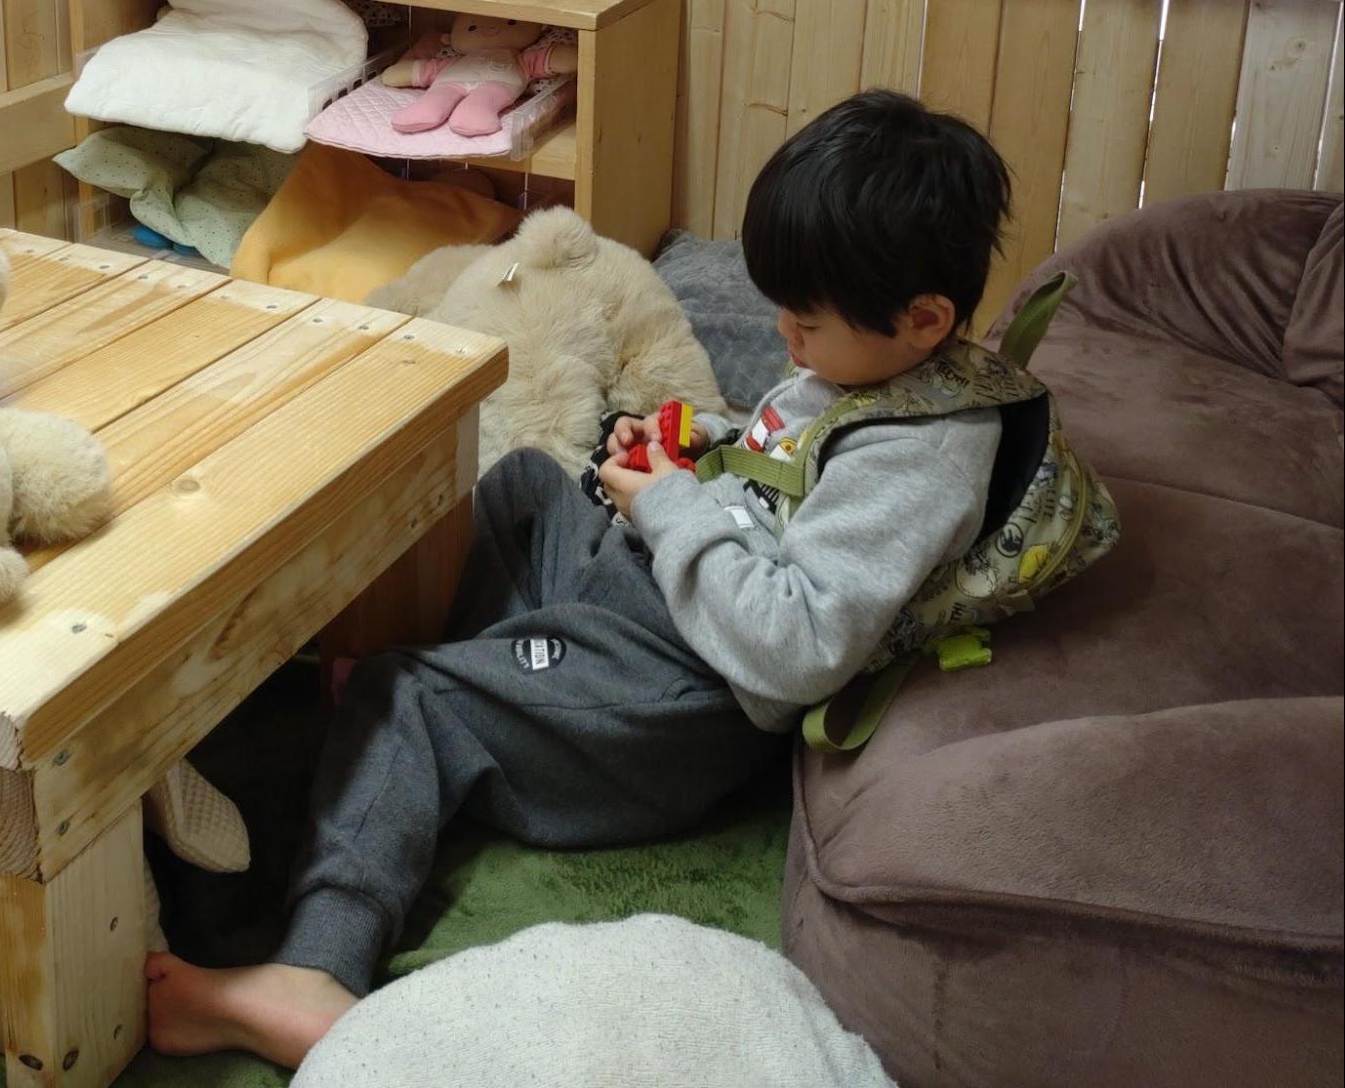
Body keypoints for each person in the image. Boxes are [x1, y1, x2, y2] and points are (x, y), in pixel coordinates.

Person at [147, 90, 1014, 1067]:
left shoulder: (920, 458)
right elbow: (783, 458)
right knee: (525, 485)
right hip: (657, 593)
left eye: (806, 321)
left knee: (409, 693)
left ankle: (317, 965)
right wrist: (698, 450)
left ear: (925, 319)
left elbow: (796, 645)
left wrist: (670, 504)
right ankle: (475, 720)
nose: (785, 335)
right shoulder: (875, 370)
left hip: (687, 685)